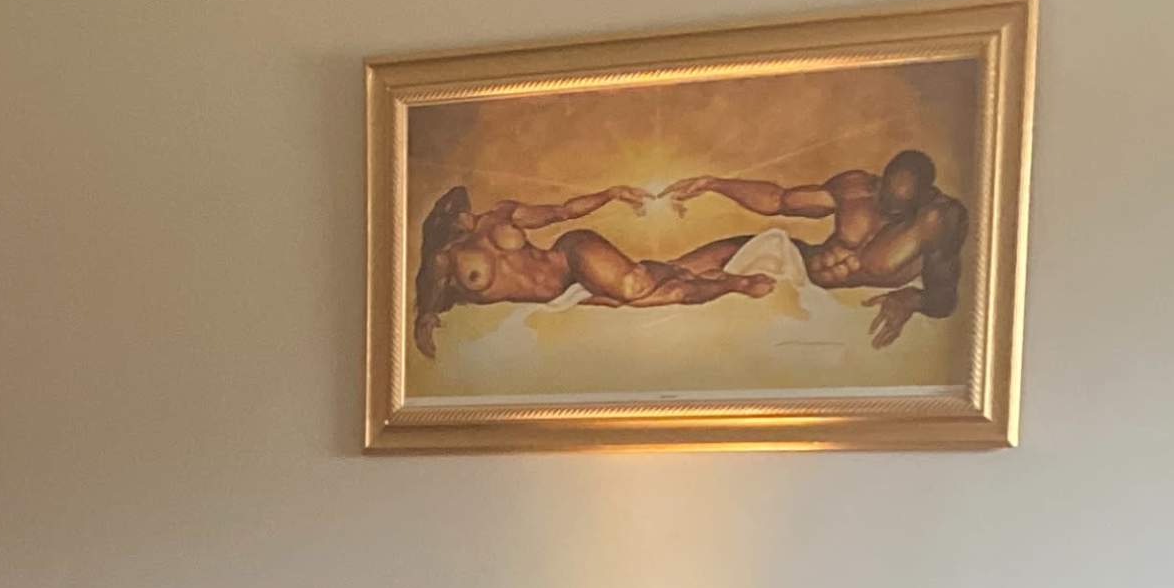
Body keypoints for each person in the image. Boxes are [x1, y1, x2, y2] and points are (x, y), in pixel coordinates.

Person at [408, 184, 776, 357]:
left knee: (633, 287)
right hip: (566, 293)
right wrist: (425, 321)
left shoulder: (500, 215)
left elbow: (562, 211)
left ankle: (736, 282)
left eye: (464, 207)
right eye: (455, 213)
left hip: (572, 256)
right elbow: (428, 302)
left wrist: (610, 195)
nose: (465, 214)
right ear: (445, 226)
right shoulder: (445, 262)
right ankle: (727, 280)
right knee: (671, 288)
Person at [664, 149, 967, 347]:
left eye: (898, 208)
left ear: (924, 196)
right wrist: (714, 184)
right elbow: (779, 200)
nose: (886, 209)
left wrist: (913, 299)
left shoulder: (938, 221)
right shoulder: (858, 188)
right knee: (673, 271)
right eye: (885, 198)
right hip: (802, 267)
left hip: (848, 305)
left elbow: (944, 298)